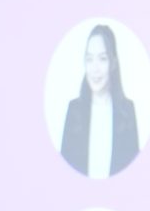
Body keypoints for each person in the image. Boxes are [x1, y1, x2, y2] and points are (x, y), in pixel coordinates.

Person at [59, 25, 143, 178]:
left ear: (113, 63)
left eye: (102, 59)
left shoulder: (127, 111)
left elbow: (134, 174)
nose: (95, 69)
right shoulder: (74, 110)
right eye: (89, 59)